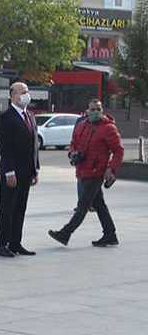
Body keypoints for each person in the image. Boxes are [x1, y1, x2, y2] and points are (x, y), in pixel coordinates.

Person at [49, 99, 123, 248]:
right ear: (87, 111)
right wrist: (72, 154)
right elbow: (73, 144)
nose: (95, 111)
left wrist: (111, 169)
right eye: (93, 109)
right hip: (82, 170)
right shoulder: (82, 126)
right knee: (99, 204)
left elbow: (118, 150)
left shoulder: (108, 128)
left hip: (96, 173)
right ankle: (110, 234)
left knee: (82, 206)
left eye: (98, 109)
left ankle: (65, 233)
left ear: (102, 110)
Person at [0, 81, 40, 257]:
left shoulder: (30, 115)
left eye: (27, 91)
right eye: (22, 92)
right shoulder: (6, 117)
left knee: (20, 208)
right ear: (13, 95)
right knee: (7, 209)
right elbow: (5, 147)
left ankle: (15, 243)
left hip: (27, 171)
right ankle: (2, 244)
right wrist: (9, 171)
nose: (26, 95)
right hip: (11, 172)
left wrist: (35, 169)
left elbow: (34, 145)